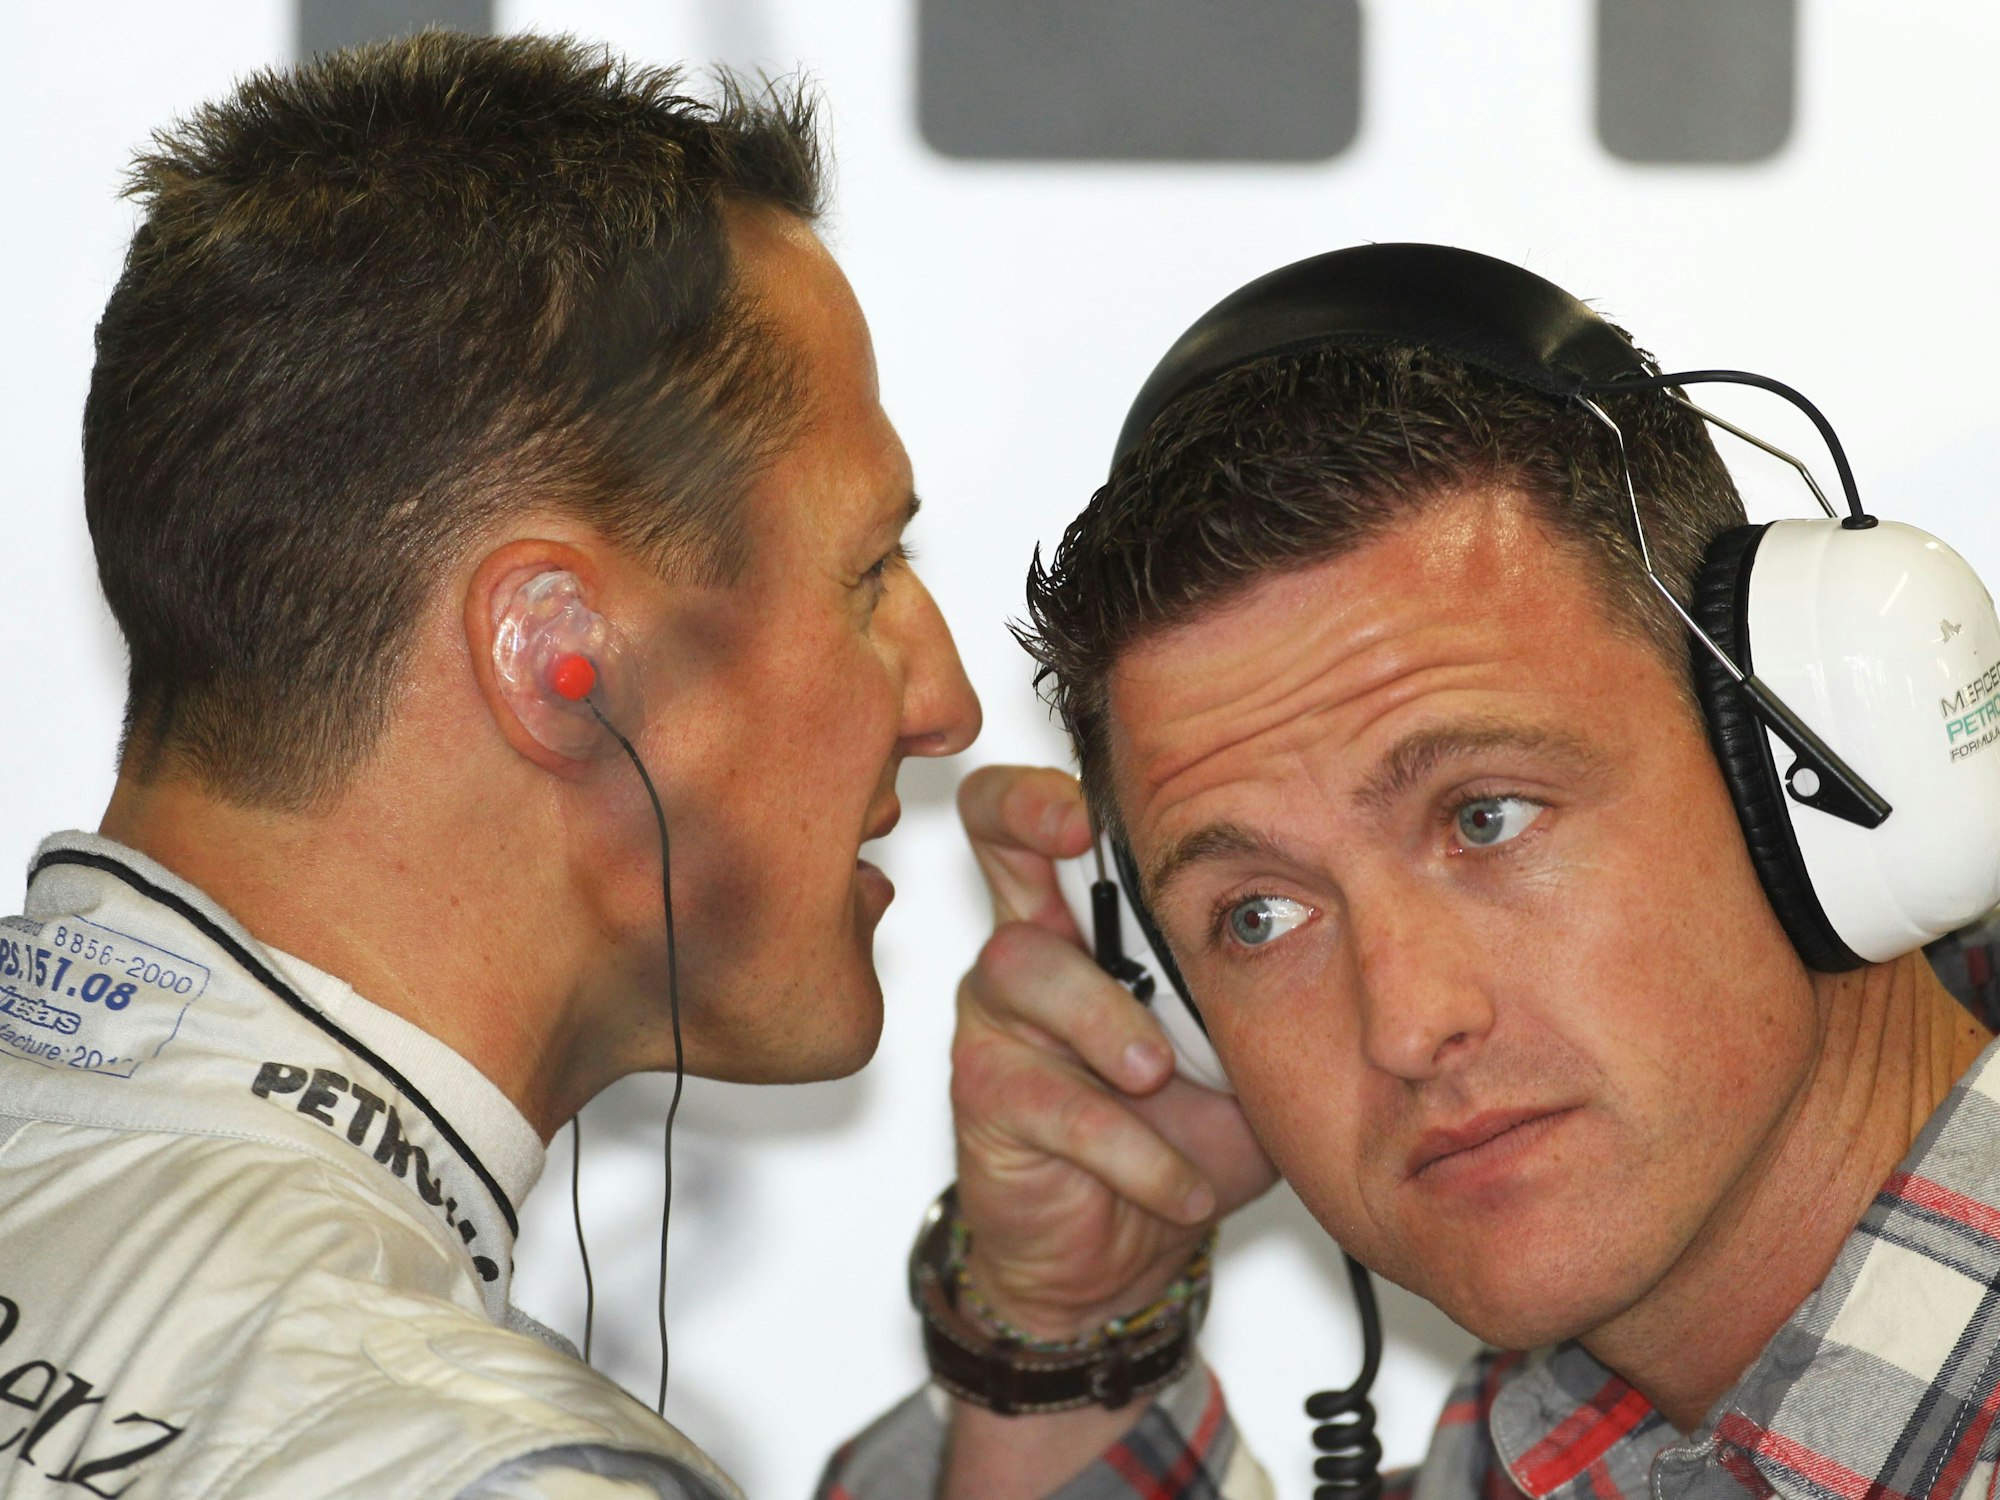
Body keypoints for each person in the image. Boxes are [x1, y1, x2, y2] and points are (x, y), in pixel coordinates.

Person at [821, 247, 2000, 1500]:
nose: (1405, 1023)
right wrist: (1065, 1330)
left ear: (1795, 765)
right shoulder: (1535, 1451)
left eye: (1484, 817)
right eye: (1258, 916)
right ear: (1166, 1000)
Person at [0, 31, 978, 1500]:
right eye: (868, 570)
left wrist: (1059, 1340)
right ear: (559, 660)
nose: (948, 702)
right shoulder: (497, 1472)